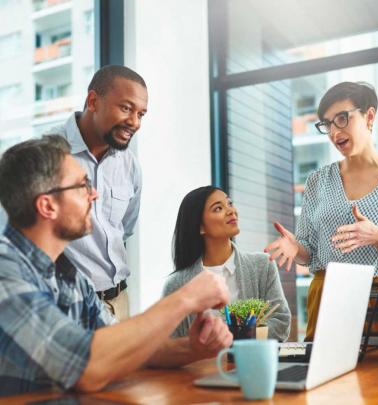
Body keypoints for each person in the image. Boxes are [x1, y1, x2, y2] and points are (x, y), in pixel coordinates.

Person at [0, 136, 233, 396]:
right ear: (47, 205)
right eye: (82, 186)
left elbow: (124, 347)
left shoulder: (69, 273)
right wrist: (185, 298)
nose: (94, 194)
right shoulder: (5, 270)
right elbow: (86, 366)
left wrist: (193, 349)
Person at [264, 81, 378, 341]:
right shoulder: (317, 181)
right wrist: (295, 249)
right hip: (328, 301)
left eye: (342, 119)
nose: (335, 132)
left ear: (369, 116)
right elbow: (309, 252)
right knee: (321, 378)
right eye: (327, 124)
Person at [49, 65, 149, 321]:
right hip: (68, 306)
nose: (135, 123)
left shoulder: (130, 164)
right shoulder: (47, 153)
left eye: (141, 114)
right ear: (93, 101)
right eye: (126, 108)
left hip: (119, 301)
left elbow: (124, 229)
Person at [163, 186, 291, 341]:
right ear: (200, 227)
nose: (231, 211)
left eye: (230, 203)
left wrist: (237, 338)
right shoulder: (176, 284)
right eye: (218, 208)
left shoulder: (262, 265)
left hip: (251, 363)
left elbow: (281, 322)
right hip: (201, 366)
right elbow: (171, 343)